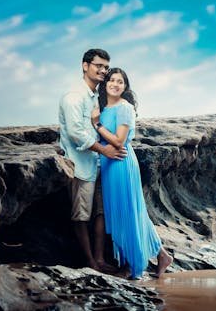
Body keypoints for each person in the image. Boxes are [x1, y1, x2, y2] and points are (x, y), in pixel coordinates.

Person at [91, 67, 173, 279]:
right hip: (108, 166)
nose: (116, 84)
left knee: (128, 214)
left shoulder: (124, 108)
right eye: (112, 80)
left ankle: (130, 265)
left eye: (121, 82)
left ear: (125, 86)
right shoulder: (103, 108)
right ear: (105, 83)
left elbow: (119, 141)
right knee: (125, 213)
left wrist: (97, 125)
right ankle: (162, 255)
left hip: (122, 164)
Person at [58, 48, 126, 273]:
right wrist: (104, 151)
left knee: (101, 212)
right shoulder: (74, 96)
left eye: (106, 67)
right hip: (80, 164)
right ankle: (90, 261)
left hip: (100, 164)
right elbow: (76, 132)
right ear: (85, 66)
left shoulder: (96, 95)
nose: (103, 71)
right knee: (81, 214)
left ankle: (100, 259)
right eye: (99, 65)